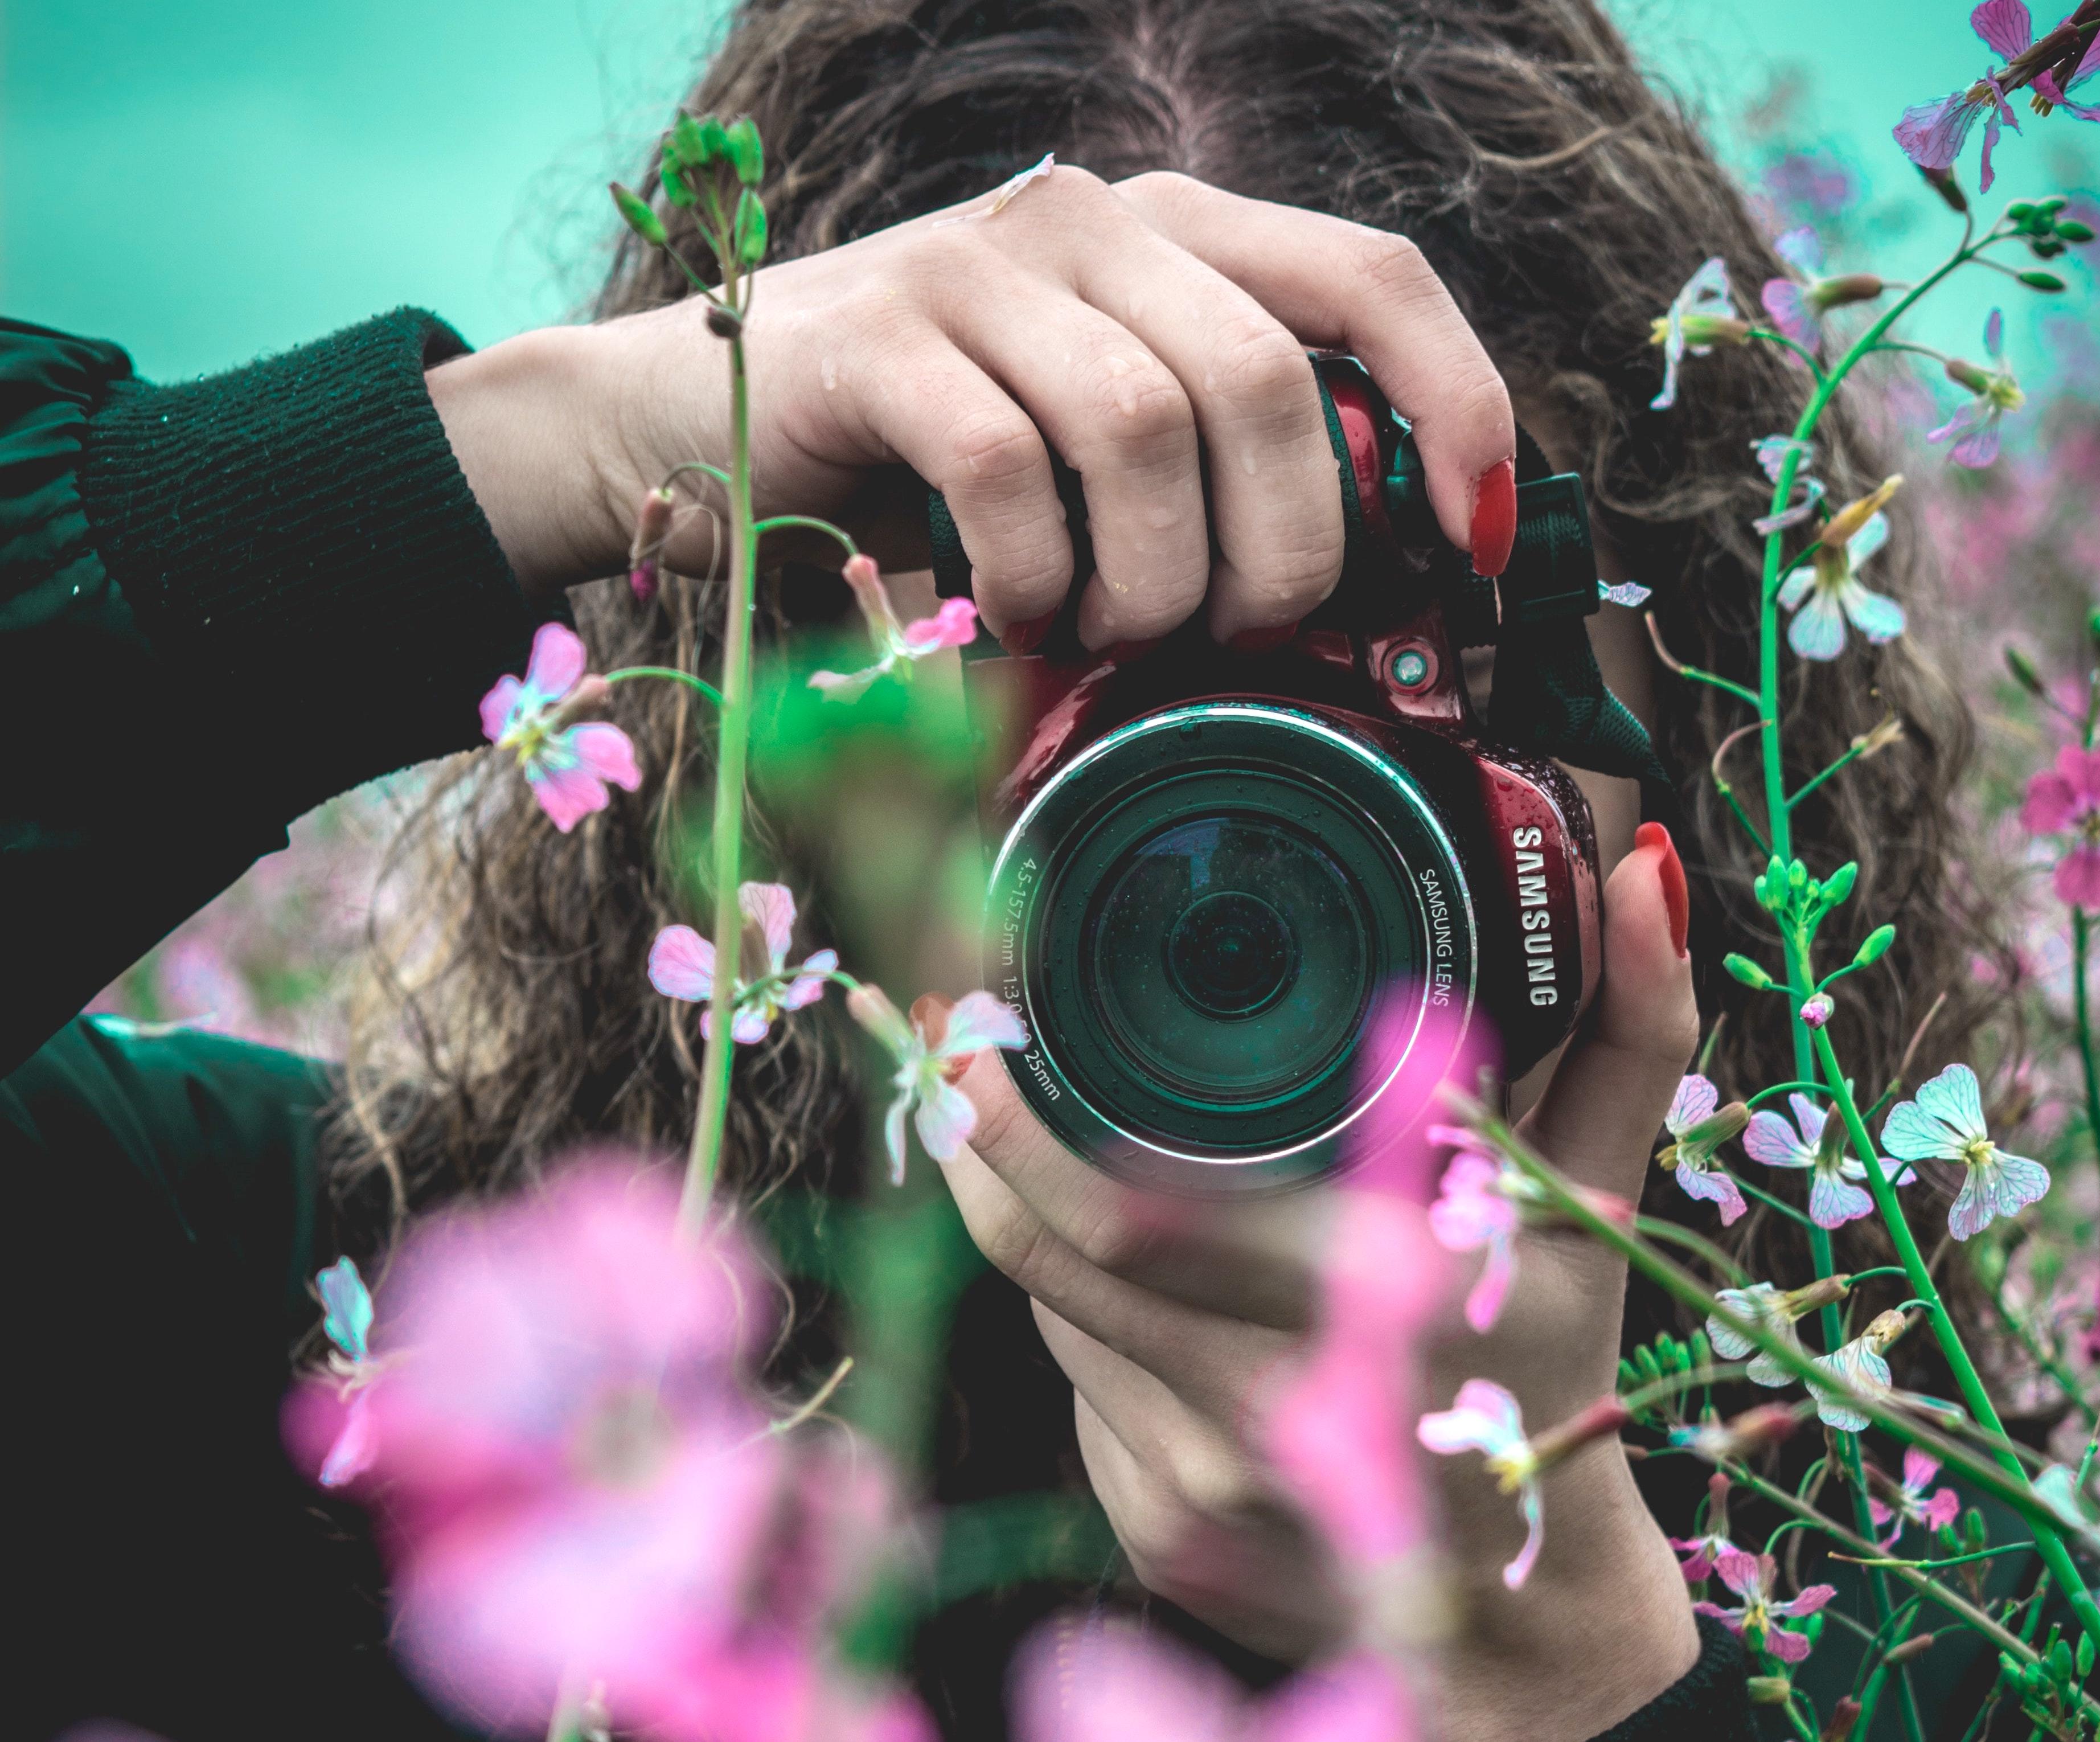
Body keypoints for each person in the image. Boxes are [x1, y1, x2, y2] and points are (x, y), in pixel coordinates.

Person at [10, 2, 1996, 1737]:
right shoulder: (393, 1360)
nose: (1238, 811)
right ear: (752, 709)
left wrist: (1576, 1671)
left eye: (1413, 649)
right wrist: (568, 433)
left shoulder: (2003, 1615)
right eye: (1050, 658)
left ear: (1698, 675)